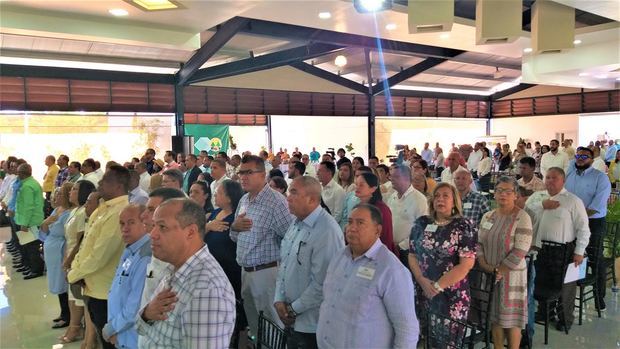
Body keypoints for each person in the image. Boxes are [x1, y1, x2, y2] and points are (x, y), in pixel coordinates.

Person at [136, 198, 236, 348]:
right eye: (154, 225)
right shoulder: (174, 268)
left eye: (162, 227)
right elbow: (141, 329)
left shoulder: (207, 290)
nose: (152, 234)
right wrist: (147, 314)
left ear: (190, 232)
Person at [317, 204, 419, 348]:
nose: (352, 228)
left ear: (377, 230)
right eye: (350, 222)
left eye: (360, 223)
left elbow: (407, 329)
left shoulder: (391, 269)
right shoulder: (339, 257)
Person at [274, 176, 344, 349]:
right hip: (292, 319)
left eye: (294, 193)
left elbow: (323, 283)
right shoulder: (296, 223)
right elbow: (284, 265)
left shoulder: (327, 230)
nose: (288, 197)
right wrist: (279, 299)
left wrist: (292, 309)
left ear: (312, 199)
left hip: (313, 323)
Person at [67, 165, 130, 349]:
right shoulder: (102, 208)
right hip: (92, 285)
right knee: (103, 336)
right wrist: (76, 269)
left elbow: (100, 255)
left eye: (105, 181)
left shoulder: (120, 211)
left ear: (118, 186)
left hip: (105, 291)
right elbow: (86, 244)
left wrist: (73, 274)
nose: (100, 183)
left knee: (109, 340)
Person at [230, 155, 294, 335]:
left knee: (272, 329)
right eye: (241, 172)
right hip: (246, 272)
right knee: (256, 328)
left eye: (249, 172)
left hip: (266, 274)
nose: (243, 176)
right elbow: (235, 236)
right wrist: (234, 227)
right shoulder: (244, 200)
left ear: (263, 174)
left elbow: (290, 240)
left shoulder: (276, 202)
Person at [525, 167, 590, 330]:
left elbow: (583, 228)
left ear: (563, 181)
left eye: (554, 178)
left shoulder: (573, 200)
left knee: (565, 287)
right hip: (541, 248)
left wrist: (579, 252)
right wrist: (542, 205)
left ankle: (565, 319)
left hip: (564, 250)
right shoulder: (538, 197)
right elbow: (526, 209)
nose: (550, 181)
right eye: (547, 178)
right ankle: (545, 312)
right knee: (541, 281)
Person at [408, 183, 476, 327]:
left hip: (450, 293)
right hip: (423, 289)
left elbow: (466, 265)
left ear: (454, 202)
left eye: (446, 196)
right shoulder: (421, 222)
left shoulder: (463, 226)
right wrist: (422, 281)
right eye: (437, 196)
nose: (440, 199)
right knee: (426, 337)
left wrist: (436, 287)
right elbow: (412, 255)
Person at [477, 177, 533, 349]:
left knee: (511, 318)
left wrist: (499, 271)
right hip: (489, 273)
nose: (503, 194)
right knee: (495, 316)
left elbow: (520, 250)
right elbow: (478, 243)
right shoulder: (488, 216)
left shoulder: (522, 217)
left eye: (508, 191)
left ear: (515, 195)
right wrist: (485, 265)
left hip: (512, 276)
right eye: (500, 190)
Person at [564, 147, 612, 311]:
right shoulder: (569, 174)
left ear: (592, 159)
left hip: (593, 223)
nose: (580, 158)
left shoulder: (600, 178)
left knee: (595, 257)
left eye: (585, 156)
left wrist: (573, 215)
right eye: (578, 155)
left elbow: (595, 207)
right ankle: (570, 300)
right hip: (570, 222)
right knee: (573, 256)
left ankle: (600, 298)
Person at [204, 180, 247, 348]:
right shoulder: (214, 214)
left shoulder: (237, 218)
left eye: (219, 193)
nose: (215, 195)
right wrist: (208, 226)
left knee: (231, 315)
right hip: (210, 272)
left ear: (229, 198)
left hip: (230, 273)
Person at [103, 204, 151, 349]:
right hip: (122, 335)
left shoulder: (146, 256)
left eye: (131, 222)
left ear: (145, 223)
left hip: (133, 338)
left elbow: (134, 307)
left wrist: (112, 328)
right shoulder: (131, 250)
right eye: (122, 223)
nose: (125, 228)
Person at [60, 180, 96, 344]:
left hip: (76, 258)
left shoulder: (83, 213)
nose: (70, 192)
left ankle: (77, 328)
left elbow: (81, 240)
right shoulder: (75, 210)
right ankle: (75, 327)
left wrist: (69, 259)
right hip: (71, 256)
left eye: (74, 189)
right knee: (72, 296)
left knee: (79, 298)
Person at [41, 182, 75, 329]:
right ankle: (63, 312)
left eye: (60, 194)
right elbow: (44, 227)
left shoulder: (69, 213)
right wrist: (47, 222)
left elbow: (59, 230)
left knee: (63, 285)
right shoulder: (57, 210)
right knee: (56, 282)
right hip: (52, 250)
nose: (56, 196)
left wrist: (47, 224)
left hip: (62, 250)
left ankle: (68, 317)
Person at [387, 165, 428, 263]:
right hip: (391, 248)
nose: (391, 179)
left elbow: (422, 229)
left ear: (406, 178)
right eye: (391, 176)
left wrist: (401, 246)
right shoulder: (392, 197)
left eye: (396, 177)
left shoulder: (419, 199)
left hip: (408, 252)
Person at [14, 163, 45, 279]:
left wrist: (24, 224)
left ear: (22, 174)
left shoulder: (27, 186)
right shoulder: (29, 183)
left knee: (31, 247)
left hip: (30, 222)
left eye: (18, 173)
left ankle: (36, 270)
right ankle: (28, 266)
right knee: (26, 246)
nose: (17, 175)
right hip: (27, 220)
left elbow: (28, 207)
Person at [354, 172, 397, 255]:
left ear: (373, 188)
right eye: (356, 184)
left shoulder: (382, 209)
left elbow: (386, 238)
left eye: (361, 185)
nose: (357, 188)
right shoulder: (358, 207)